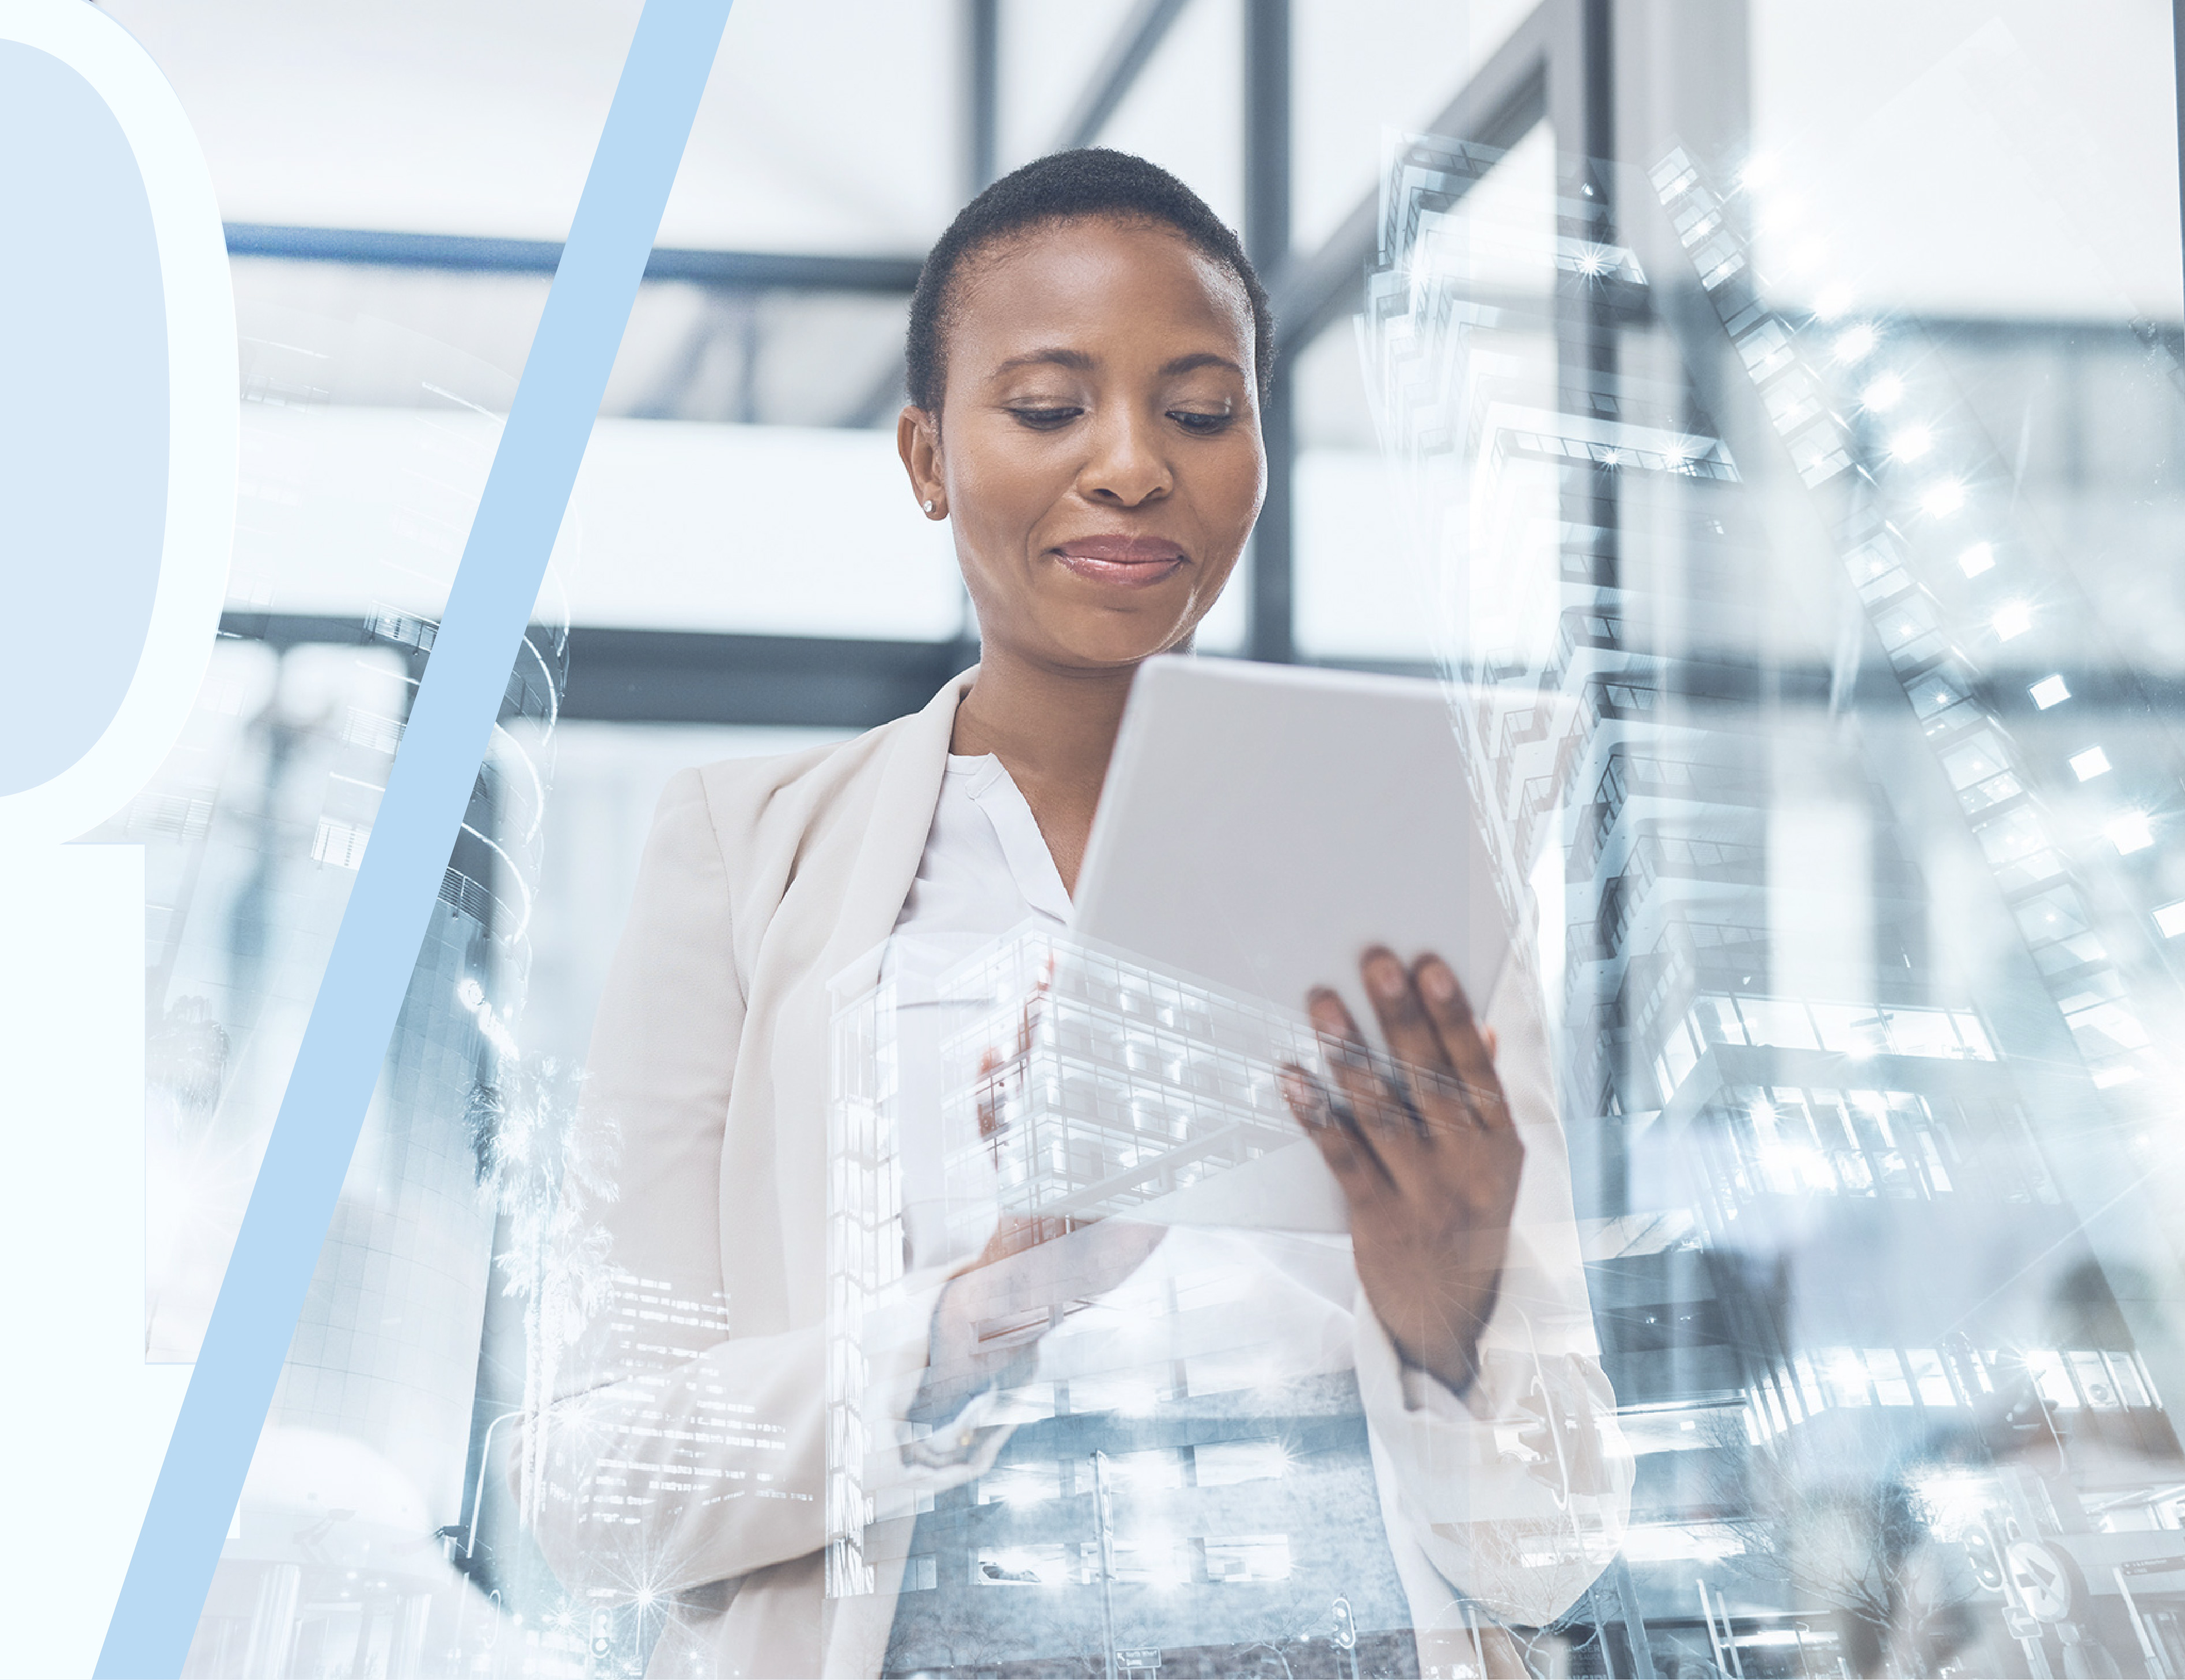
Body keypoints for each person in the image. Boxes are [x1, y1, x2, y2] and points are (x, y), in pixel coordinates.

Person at [514, 148, 1628, 1679]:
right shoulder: (747, 856)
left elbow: (1555, 1553)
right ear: (926, 457)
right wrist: (973, 1320)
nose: (1130, 465)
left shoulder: (1414, 867)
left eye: (1200, 411)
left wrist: (1449, 1321)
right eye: (1046, 408)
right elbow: (591, 1489)